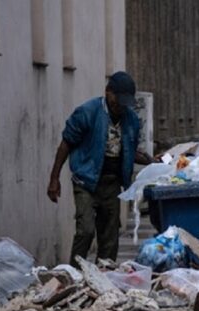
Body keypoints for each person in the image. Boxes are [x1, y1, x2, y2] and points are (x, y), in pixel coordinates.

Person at [47, 71, 154, 268]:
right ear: (107, 93)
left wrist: (151, 161)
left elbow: (129, 150)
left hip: (112, 183)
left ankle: (104, 278)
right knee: (86, 230)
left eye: (125, 102)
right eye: (117, 99)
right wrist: (54, 179)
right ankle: (74, 275)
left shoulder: (131, 119)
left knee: (110, 236)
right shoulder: (88, 112)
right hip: (86, 182)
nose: (120, 105)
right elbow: (66, 144)